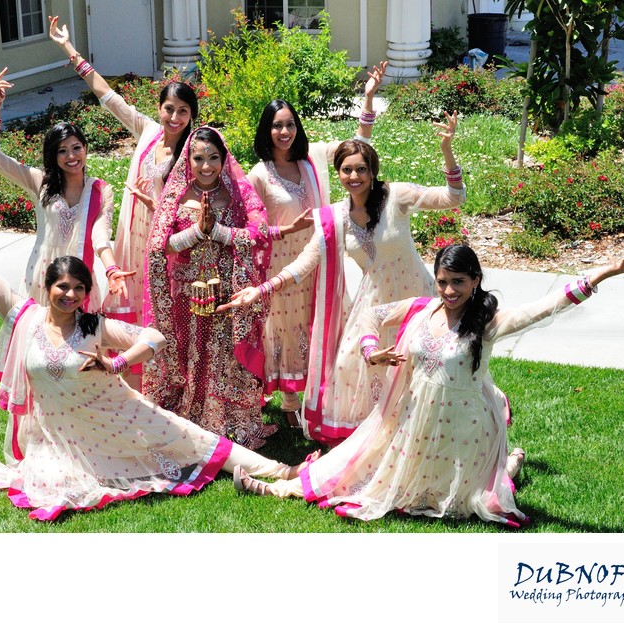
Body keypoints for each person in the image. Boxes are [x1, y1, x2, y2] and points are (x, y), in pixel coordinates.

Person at [0, 202, 309, 522]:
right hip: (62, 440)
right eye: (62, 286)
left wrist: (117, 365)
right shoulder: (24, 317)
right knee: (56, 484)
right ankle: (277, 477)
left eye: (78, 288)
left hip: (120, 413)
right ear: (47, 287)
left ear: (87, 293)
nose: (70, 294)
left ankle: (285, 475)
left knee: (198, 441)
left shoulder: (93, 326)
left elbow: (155, 337)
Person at [232, 244, 624, 528]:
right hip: (411, 421)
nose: (448, 292)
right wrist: (371, 349)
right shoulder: (422, 307)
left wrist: (601, 275)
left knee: (474, 503)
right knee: (357, 471)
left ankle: (508, 464)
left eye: (458, 283)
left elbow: (543, 308)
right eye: (442, 281)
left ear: (476, 280)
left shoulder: (487, 322)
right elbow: (373, 316)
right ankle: (277, 488)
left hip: (464, 430)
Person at [220, 121, 466, 445]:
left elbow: (454, 197)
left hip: (415, 301)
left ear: (372, 170)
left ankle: (433, 436)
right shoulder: (335, 218)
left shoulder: (397, 196)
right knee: (354, 367)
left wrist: (447, 152)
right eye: (347, 170)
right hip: (375, 306)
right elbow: (304, 264)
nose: (354, 177)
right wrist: (261, 290)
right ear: (337, 173)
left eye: (361, 169)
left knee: (426, 369)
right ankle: (381, 441)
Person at [247, 62, 387, 427]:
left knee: (326, 323)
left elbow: (359, 146)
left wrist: (369, 97)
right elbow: (251, 227)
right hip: (283, 266)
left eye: (290, 124)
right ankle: (292, 403)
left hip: (324, 259)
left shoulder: (314, 160)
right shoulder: (260, 175)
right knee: (288, 333)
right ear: (267, 130)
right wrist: (284, 230)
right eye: (277, 125)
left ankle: (325, 393)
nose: (284, 131)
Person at [146, 126, 302, 450]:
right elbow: (161, 248)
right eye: (199, 158)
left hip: (227, 290)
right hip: (186, 293)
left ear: (224, 158)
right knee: (194, 352)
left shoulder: (236, 194)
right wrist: (196, 233)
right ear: (188, 160)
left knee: (222, 355)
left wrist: (217, 231)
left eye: (214, 158)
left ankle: (229, 420)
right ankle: (195, 417)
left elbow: (257, 234)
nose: (206, 166)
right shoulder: (177, 195)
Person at [49, 15, 198, 329]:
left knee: (161, 311)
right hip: (131, 237)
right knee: (128, 305)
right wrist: (70, 50)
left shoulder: (190, 153)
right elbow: (107, 96)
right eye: (169, 108)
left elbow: (195, 202)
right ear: (159, 108)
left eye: (183, 111)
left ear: (191, 116)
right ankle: (129, 371)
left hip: (162, 240)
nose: (174, 116)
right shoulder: (147, 130)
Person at [0, 65, 130, 313]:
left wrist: (111, 269)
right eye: (62, 151)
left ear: (85, 148)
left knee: (80, 345)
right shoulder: (40, 181)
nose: (71, 156)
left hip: (78, 278)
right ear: (53, 156)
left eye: (76, 148)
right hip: (43, 276)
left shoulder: (100, 191)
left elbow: (100, 237)